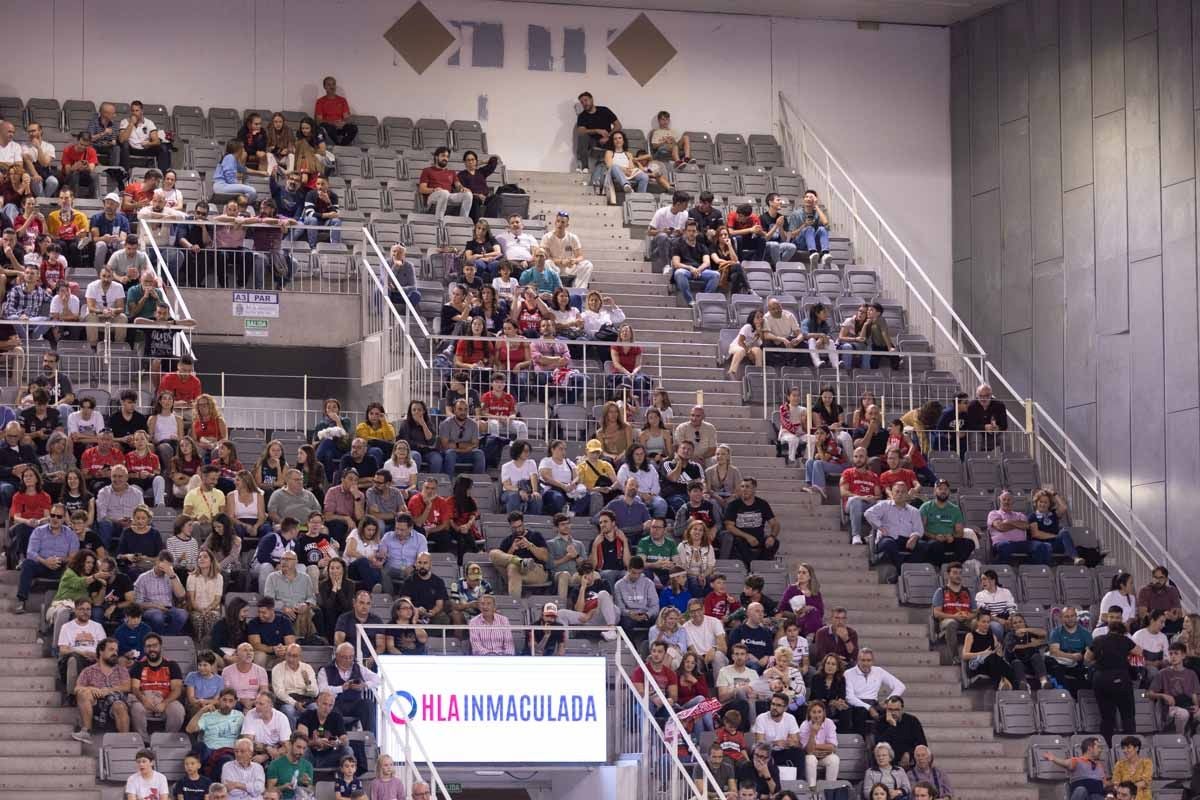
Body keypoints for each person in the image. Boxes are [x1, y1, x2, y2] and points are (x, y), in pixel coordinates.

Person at [128, 632, 186, 739]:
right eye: (148, 646)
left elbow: (177, 689)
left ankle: (166, 739)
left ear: (160, 647)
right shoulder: (138, 665)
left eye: (155, 646)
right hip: (145, 699)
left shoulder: (172, 665)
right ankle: (144, 740)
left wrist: (164, 703)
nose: (151, 649)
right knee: (137, 709)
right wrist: (144, 700)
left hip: (165, 699)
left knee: (178, 711)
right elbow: (135, 688)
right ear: (144, 649)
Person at [844, 648, 906, 737]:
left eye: (868, 660)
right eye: (863, 660)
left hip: (874, 703)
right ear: (858, 660)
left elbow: (900, 686)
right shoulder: (848, 673)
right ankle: (862, 743)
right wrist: (869, 708)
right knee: (860, 713)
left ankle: (885, 742)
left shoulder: (879, 671)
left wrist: (887, 701)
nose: (865, 663)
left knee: (892, 712)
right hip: (856, 704)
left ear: (873, 661)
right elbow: (849, 697)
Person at [722, 478, 779, 565]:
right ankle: (748, 568)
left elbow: (775, 524)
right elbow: (729, 526)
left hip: (758, 538)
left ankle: (760, 566)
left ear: (754, 489)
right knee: (736, 542)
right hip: (741, 538)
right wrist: (747, 536)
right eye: (742, 486)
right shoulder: (733, 505)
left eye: (747, 487)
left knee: (775, 543)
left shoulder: (762, 504)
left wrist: (772, 536)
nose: (744, 489)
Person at [1041, 736, 1109, 800]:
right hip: (1081, 795)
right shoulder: (1077, 760)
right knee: (1081, 790)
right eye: (1098, 747)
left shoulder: (1099, 766)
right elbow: (1065, 763)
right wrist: (1053, 758)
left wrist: (1115, 784)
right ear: (1089, 748)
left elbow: (1105, 785)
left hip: (1096, 797)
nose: (1100, 750)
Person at [670, 219, 718, 306]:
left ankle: (703, 300)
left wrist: (698, 270)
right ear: (685, 232)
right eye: (689, 231)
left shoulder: (702, 246)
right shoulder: (677, 245)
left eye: (694, 231)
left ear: (697, 232)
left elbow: (707, 262)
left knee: (716, 275)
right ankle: (690, 301)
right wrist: (690, 268)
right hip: (686, 270)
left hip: (700, 271)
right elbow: (676, 263)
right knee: (679, 273)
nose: (691, 233)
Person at [271, 644, 319, 729]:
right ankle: (292, 738)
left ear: (300, 657)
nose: (290, 659)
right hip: (286, 701)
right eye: (288, 655)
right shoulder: (278, 669)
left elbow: (315, 693)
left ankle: (313, 737)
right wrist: (295, 703)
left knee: (315, 708)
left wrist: (307, 682)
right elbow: (279, 692)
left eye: (294, 656)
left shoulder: (307, 668)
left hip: (306, 700)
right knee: (289, 711)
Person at [1048, 606, 1093, 694]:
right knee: (1052, 664)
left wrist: (1085, 657)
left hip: (1079, 663)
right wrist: (1071, 656)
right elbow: (1054, 651)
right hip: (1061, 662)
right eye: (1067, 616)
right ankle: (1063, 692)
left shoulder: (1085, 633)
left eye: (1072, 616)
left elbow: (1090, 651)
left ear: (1076, 617)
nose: (1070, 619)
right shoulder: (1056, 632)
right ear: (1062, 618)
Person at [118, 101, 172, 173]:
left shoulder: (149, 123)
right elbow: (121, 139)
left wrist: (149, 144)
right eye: (132, 111)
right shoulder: (125, 122)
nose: (134, 113)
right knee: (124, 145)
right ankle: (124, 173)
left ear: (142, 111)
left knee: (163, 147)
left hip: (145, 148)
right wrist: (131, 124)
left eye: (137, 110)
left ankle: (163, 174)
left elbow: (157, 141)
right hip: (131, 148)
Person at [614, 556, 660, 639]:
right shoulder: (619, 585)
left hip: (645, 615)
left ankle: (649, 645)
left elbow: (655, 606)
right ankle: (631, 648)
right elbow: (619, 608)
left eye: (639, 573)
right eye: (633, 573)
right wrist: (629, 613)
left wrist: (647, 614)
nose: (636, 576)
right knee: (624, 623)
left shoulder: (648, 583)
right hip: (629, 616)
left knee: (658, 621)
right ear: (628, 569)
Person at [419, 147, 472, 218]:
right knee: (444, 193)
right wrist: (434, 189)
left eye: (447, 157)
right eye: (443, 156)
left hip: (448, 195)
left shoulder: (451, 172)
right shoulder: (427, 170)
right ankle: (439, 221)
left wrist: (463, 189)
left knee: (468, 194)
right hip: (433, 195)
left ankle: (463, 220)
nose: (445, 158)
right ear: (436, 157)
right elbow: (422, 189)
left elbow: (458, 185)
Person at [574, 92, 620, 172]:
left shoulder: (604, 110)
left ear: (591, 99)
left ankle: (614, 168)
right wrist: (597, 130)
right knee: (582, 136)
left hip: (607, 140)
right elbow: (581, 131)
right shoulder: (582, 116)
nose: (584, 103)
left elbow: (618, 125)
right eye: (582, 102)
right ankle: (585, 167)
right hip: (592, 142)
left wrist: (608, 136)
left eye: (586, 100)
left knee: (617, 138)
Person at [798, 701, 840, 789]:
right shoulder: (805, 725)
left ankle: (830, 788)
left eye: (819, 712)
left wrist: (815, 747)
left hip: (825, 756)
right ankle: (811, 788)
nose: (817, 715)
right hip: (810, 756)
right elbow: (809, 751)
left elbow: (832, 747)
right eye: (814, 712)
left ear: (824, 712)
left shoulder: (829, 723)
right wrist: (813, 733)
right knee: (810, 759)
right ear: (809, 713)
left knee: (834, 759)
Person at [649, 191, 691, 274]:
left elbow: (683, 232)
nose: (687, 207)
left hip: (673, 241)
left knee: (685, 237)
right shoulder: (661, 212)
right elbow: (649, 232)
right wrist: (662, 231)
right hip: (659, 245)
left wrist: (681, 232)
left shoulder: (685, 214)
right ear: (678, 204)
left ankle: (682, 264)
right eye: (685, 204)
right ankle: (666, 265)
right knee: (663, 236)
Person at [789, 189, 831, 266]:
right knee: (809, 228)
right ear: (804, 199)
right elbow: (792, 235)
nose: (808, 199)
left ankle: (825, 254)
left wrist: (816, 206)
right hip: (800, 243)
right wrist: (804, 225)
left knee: (822, 229)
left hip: (814, 242)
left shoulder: (818, 213)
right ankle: (813, 253)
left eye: (811, 197)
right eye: (806, 197)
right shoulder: (796, 214)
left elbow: (826, 224)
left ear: (815, 199)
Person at [265, 733, 315, 799]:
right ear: (290, 745)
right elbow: (269, 791)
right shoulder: (275, 764)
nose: (301, 752)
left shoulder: (308, 766)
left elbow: (310, 790)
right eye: (298, 747)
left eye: (304, 748)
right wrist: (283, 787)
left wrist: (306, 784)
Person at [314, 76, 357, 145]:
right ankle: (338, 145)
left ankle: (342, 146)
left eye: (333, 84)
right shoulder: (320, 101)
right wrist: (332, 123)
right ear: (324, 87)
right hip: (329, 128)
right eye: (329, 84)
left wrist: (343, 122)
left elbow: (347, 117)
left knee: (353, 128)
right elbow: (319, 120)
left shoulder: (342, 100)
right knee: (327, 126)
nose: (332, 87)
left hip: (341, 127)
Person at [964, 383, 1007, 450]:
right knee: (976, 436)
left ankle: (1006, 459)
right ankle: (976, 459)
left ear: (991, 395)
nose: (983, 399)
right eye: (980, 396)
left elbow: (1004, 425)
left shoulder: (999, 405)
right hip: (978, 433)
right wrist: (984, 427)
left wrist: (998, 428)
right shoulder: (972, 406)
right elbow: (969, 425)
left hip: (994, 433)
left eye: (986, 396)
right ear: (977, 396)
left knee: (1005, 437)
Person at [1109, 736, 1152, 800]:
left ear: (1136, 748)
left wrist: (1127, 789)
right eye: (1123, 748)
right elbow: (1116, 783)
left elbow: (1145, 782)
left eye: (1128, 748)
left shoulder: (1146, 763)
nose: (1125, 750)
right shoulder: (1119, 764)